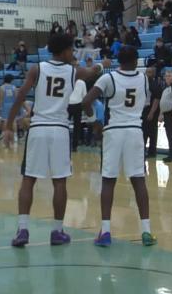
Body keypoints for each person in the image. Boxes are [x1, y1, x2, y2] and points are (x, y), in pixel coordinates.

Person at [2, 34, 108, 247]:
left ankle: (22, 229)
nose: (73, 53)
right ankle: (57, 231)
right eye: (71, 50)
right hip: (59, 130)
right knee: (59, 181)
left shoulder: (37, 69)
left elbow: (21, 96)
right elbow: (91, 72)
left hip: (38, 129)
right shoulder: (73, 71)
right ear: (65, 50)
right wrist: (101, 65)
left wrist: (8, 125)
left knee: (28, 179)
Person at [81, 46, 157, 247]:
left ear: (118, 60)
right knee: (138, 181)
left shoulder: (109, 78)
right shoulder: (144, 79)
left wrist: (95, 123)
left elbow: (86, 101)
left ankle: (105, 232)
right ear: (136, 60)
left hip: (114, 131)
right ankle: (146, 232)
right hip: (135, 131)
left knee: (108, 181)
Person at [142, 67, 161, 157]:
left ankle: (152, 152)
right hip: (144, 110)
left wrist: (152, 112)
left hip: (151, 111)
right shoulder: (144, 84)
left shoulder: (155, 85)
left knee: (152, 133)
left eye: (150, 72)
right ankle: (143, 151)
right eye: (147, 72)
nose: (147, 74)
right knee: (144, 132)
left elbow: (157, 100)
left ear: (154, 74)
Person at [67, 71, 86, 152]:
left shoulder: (68, 79)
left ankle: (65, 143)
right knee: (76, 127)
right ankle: (74, 146)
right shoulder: (82, 82)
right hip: (76, 105)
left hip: (68, 105)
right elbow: (84, 95)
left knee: (64, 125)